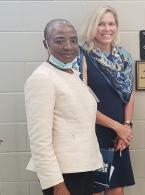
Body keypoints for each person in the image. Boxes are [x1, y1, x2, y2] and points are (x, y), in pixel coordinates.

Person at [24, 19, 103, 195]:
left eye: (73, 40)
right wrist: (57, 185)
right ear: (46, 44)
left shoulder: (73, 74)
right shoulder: (42, 78)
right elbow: (39, 141)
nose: (68, 46)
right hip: (64, 175)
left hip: (84, 168)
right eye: (60, 40)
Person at [80, 6, 135, 195]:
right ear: (92, 27)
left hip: (119, 135)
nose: (107, 29)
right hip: (93, 133)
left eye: (111, 24)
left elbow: (130, 94)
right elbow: (82, 103)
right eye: (101, 24)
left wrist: (126, 127)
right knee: (94, 190)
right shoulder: (82, 57)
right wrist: (117, 127)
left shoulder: (125, 58)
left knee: (117, 189)